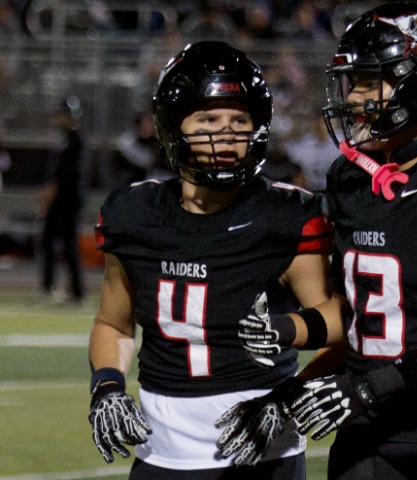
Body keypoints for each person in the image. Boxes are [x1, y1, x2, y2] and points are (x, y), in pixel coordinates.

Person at [218, 4, 417, 479]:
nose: (354, 97)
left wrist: (368, 388)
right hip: (369, 431)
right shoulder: (350, 179)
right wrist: (288, 370)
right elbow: (362, 317)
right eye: (353, 83)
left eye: (367, 82)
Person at [87, 41, 332, 479]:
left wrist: (288, 392)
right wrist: (106, 385)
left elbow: (339, 325)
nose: (227, 133)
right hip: (161, 451)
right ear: (173, 125)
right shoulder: (135, 214)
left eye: (240, 120)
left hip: (261, 445)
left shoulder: (284, 215)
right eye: (209, 119)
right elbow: (113, 323)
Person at [38, 95, 87, 304]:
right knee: (49, 242)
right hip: (60, 199)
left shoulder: (75, 140)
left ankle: (76, 291)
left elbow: (66, 173)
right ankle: (50, 287)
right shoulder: (64, 139)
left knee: (67, 245)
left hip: (67, 200)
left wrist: (50, 192)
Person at [111, 111, 161, 187]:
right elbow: (147, 160)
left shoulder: (152, 140)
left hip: (150, 179)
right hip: (131, 182)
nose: (150, 127)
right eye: (147, 123)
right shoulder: (128, 142)